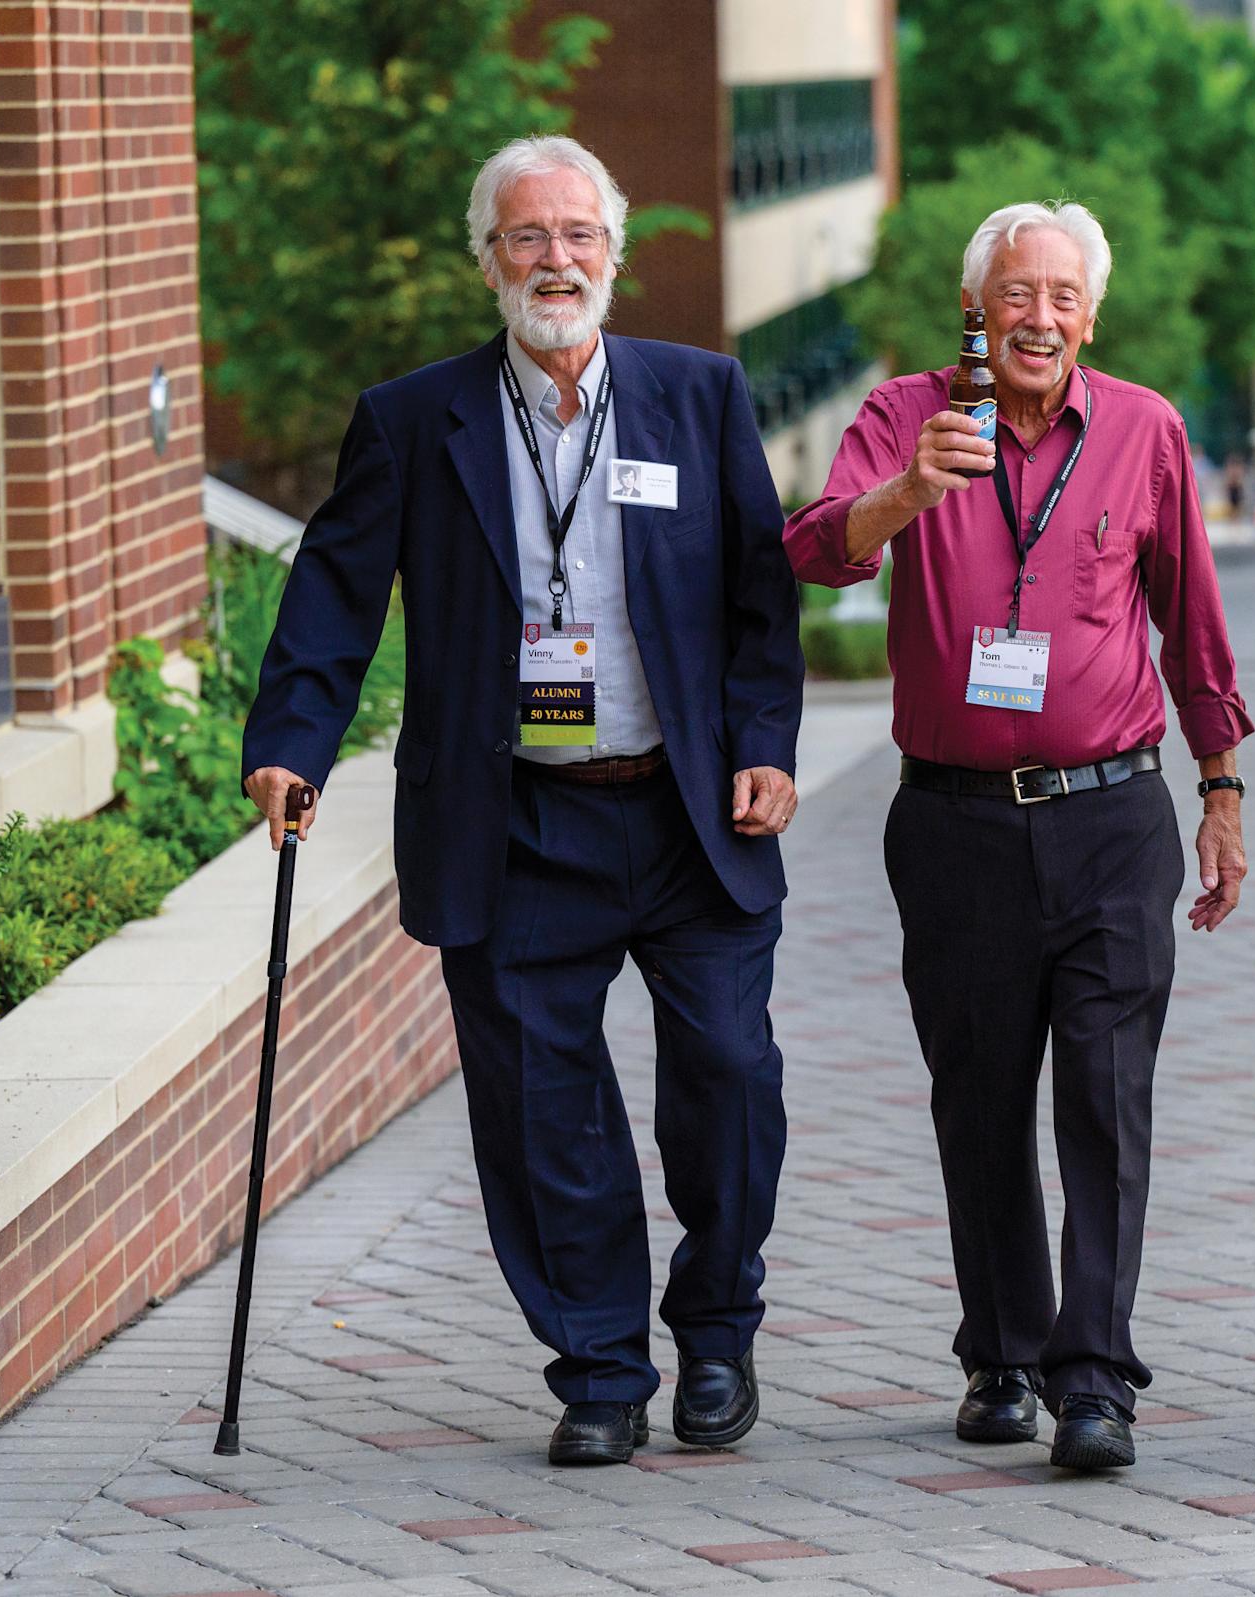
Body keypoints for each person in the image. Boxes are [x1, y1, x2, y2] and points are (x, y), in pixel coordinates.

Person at [240, 136, 805, 1467]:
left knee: (729, 1072)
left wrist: (766, 739)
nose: (556, 260)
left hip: (684, 815)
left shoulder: (698, 395)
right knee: (544, 1110)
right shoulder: (413, 419)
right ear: (485, 257)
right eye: (526, 237)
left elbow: (757, 597)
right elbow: (333, 589)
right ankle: (601, 1365)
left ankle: (715, 1332)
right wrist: (292, 746)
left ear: (615, 249)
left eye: (577, 234)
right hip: (514, 819)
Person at [786, 200, 1252, 1472]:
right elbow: (817, 552)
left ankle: (1093, 1375)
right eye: (1016, 293)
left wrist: (1222, 791)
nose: (1038, 316)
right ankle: (1001, 1348)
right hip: (953, 823)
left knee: (1105, 1096)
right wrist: (906, 490)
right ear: (977, 310)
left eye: (1062, 296)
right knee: (980, 1096)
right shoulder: (902, 417)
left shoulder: (1147, 430)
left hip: (1113, 814)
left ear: (1088, 316)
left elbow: (1192, 625)